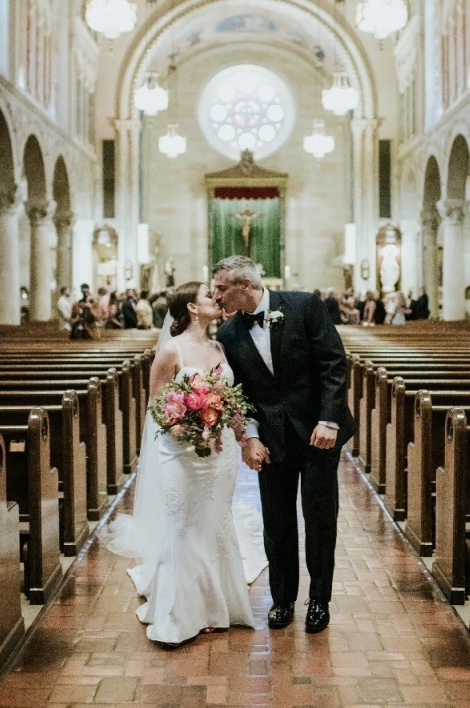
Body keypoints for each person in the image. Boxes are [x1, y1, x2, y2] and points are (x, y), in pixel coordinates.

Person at [102, 281, 266, 646]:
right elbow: (156, 407)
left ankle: (214, 605)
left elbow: (233, 402)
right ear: (192, 308)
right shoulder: (170, 352)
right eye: (210, 296)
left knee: (214, 524)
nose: (217, 300)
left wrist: (243, 438)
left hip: (219, 453)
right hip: (182, 452)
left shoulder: (221, 347)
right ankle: (181, 613)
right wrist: (189, 428)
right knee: (183, 527)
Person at [214, 255, 355, 634]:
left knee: (320, 518)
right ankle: (282, 600)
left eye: (222, 288)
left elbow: (334, 364)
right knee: (276, 521)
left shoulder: (304, 305)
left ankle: (320, 601)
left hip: (317, 435)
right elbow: (241, 394)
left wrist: (329, 420)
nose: (216, 297)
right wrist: (251, 437)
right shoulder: (227, 334)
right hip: (272, 441)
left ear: (244, 285)